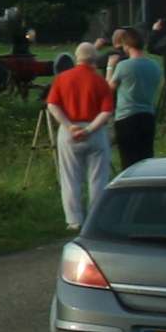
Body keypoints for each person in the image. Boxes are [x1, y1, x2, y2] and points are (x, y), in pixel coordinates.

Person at [44, 44, 116, 231]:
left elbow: (52, 105)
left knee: (70, 178)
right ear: (94, 58)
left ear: (77, 57)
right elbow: (106, 111)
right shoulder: (99, 81)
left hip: (69, 131)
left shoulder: (62, 78)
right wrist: (90, 129)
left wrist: (69, 125)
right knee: (98, 178)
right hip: (95, 132)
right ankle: (95, 218)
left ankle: (74, 220)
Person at [108, 28, 165, 171]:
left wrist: (110, 66)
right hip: (148, 115)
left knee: (128, 160)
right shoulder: (155, 65)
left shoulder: (123, 66)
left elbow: (109, 88)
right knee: (146, 158)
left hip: (126, 117)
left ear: (127, 45)